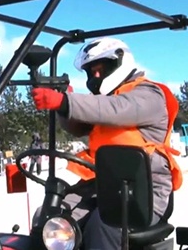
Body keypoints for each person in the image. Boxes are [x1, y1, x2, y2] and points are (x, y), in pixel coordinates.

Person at [31, 37, 183, 249]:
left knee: (103, 224)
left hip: (143, 195)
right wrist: (63, 103)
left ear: (119, 62)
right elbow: (79, 127)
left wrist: (66, 102)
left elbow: (117, 108)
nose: (95, 76)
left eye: (100, 70)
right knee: (51, 216)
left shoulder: (148, 95)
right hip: (103, 187)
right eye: (91, 72)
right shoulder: (105, 101)